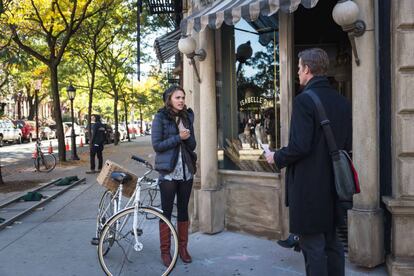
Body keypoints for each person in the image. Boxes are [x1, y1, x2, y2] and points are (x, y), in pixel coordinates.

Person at [265, 48, 352, 276]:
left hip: (309, 187)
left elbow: (300, 147)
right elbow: (345, 142)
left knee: (312, 247)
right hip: (334, 186)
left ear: (307, 69)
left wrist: (276, 156)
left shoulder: (304, 101)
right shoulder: (342, 101)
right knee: (333, 245)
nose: (297, 72)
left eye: (298, 68)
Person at [151, 85, 197, 267]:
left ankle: (183, 248)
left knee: (184, 210)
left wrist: (187, 134)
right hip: (168, 172)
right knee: (167, 212)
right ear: (169, 98)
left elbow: (192, 145)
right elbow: (157, 145)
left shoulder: (187, 117)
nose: (181, 100)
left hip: (186, 171)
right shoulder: (160, 117)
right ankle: (165, 251)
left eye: (183, 97)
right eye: (178, 97)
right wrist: (179, 137)